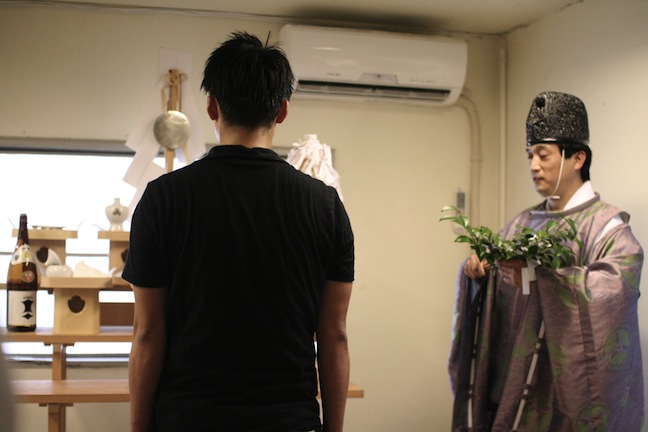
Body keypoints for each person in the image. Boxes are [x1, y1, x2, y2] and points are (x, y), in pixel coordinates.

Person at [123, 32, 354, 432]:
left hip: (188, 420)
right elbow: (333, 336)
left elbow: (147, 334)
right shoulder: (325, 206)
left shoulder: (162, 199)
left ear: (211, 106)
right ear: (282, 110)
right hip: (289, 422)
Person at [448, 91, 644, 431]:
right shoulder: (522, 224)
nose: (533, 166)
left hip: (566, 396)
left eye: (543, 154)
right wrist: (479, 273)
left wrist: (544, 278)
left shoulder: (607, 229)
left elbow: (616, 291)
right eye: (530, 155)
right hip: (515, 387)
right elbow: (499, 289)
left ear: (578, 158)